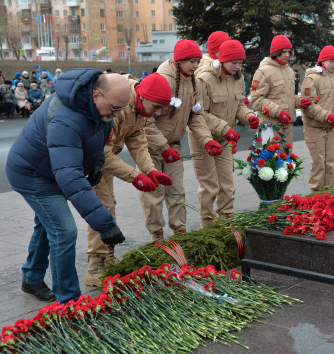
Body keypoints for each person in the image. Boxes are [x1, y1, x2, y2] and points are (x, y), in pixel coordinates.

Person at [5, 69, 129, 304]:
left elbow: (97, 144)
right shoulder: (66, 117)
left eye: (122, 109)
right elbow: (69, 175)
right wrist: (104, 224)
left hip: (52, 170)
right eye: (115, 108)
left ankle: (31, 277)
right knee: (64, 231)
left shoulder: (101, 109)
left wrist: (96, 166)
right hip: (33, 174)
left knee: (47, 225)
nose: (117, 114)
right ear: (95, 95)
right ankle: (69, 301)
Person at [85, 73, 174, 286]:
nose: (158, 113)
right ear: (143, 95)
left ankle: (107, 258)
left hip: (105, 158)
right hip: (92, 159)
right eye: (157, 107)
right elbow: (103, 152)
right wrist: (136, 177)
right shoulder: (120, 103)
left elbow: (137, 140)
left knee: (109, 206)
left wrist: (150, 170)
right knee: (102, 208)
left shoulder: (140, 107)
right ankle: (95, 266)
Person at [142, 39, 222, 241]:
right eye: (191, 61)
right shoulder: (162, 79)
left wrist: (206, 140)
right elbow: (146, 121)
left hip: (174, 148)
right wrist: (162, 147)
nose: (196, 65)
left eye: (197, 60)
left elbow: (195, 115)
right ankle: (156, 235)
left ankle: (180, 232)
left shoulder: (192, 81)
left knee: (177, 192)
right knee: (153, 194)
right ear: (178, 61)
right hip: (152, 149)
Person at [193, 40, 260, 227]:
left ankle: (227, 223)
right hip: (204, 139)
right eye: (234, 63)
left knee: (227, 184)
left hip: (224, 138)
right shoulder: (205, 79)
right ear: (222, 60)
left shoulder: (238, 78)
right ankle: (208, 227)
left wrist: (249, 117)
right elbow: (199, 113)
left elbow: (239, 105)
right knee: (209, 186)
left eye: (240, 63)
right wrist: (225, 129)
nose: (237, 66)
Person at [300, 45, 334, 191]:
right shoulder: (312, 79)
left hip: (330, 129)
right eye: (331, 61)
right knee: (318, 162)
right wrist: (326, 117)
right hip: (314, 129)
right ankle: (315, 194)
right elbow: (308, 106)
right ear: (322, 61)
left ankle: (328, 193)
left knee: (330, 163)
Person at [251, 35, 305, 146]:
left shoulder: (289, 70)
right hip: (271, 125)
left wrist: (300, 101)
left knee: (287, 160)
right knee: (273, 161)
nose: (287, 55)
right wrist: (279, 113)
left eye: (289, 51)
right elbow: (256, 100)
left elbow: (287, 96)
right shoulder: (263, 71)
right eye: (283, 51)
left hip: (288, 125)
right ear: (275, 52)